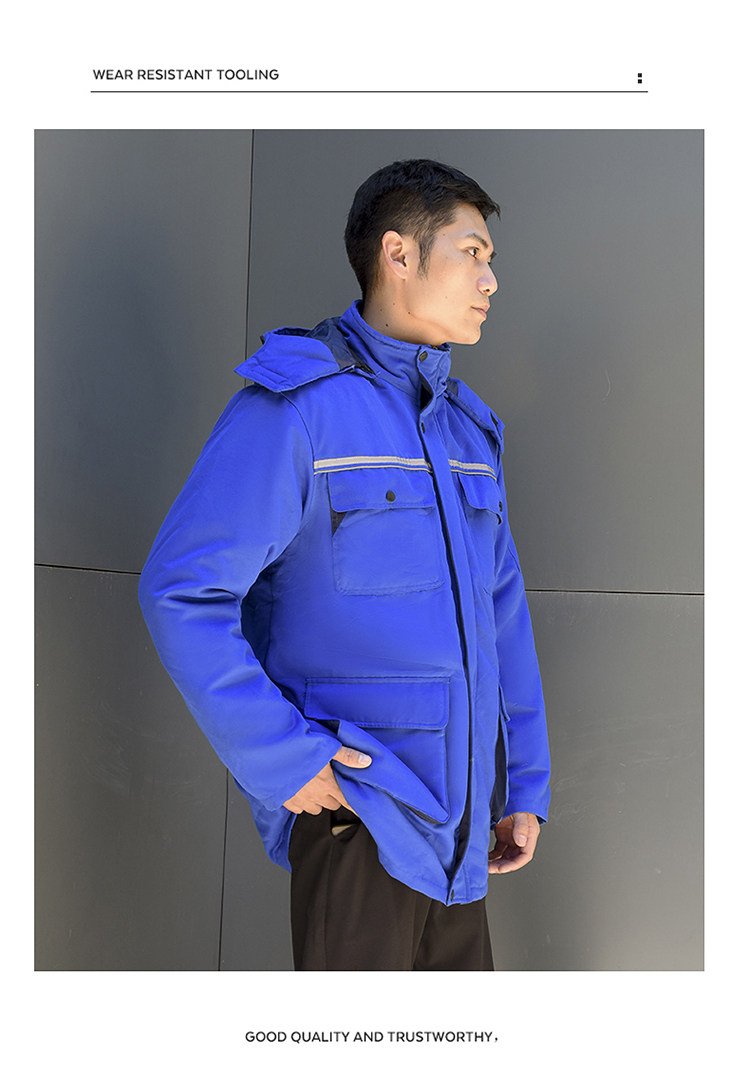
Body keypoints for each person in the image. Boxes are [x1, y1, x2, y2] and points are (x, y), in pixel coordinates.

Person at [138, 159, 551, 971]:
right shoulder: (298, 409)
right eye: (472, 253)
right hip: (361, 818)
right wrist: (283, 758)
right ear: (399, 254)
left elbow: (504, 621)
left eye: (490, 260)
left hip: (465, 834)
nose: (490, 280)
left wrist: (526, 788)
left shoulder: (468, 432)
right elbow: (182, 589)